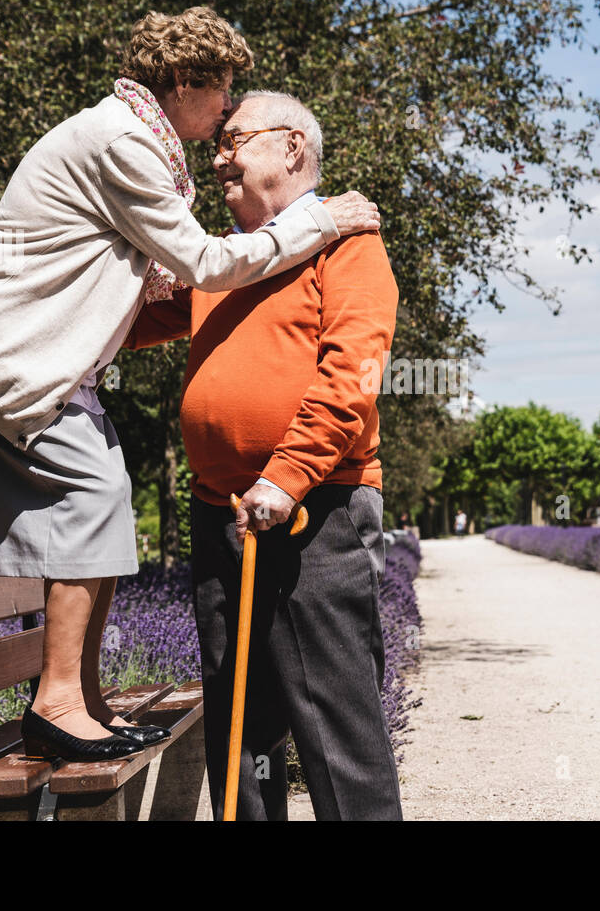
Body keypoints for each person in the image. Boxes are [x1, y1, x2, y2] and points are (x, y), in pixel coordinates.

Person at [0, 9, 382, 763]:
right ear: (183, 81)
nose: (226, 106)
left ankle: (81, 698)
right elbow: (203, 264)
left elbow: (162, 296)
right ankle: (60, 700)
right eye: (221, 87)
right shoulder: (124, 141)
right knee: (95, 494)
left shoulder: (137, 143)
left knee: (101, 498)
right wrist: (318, 222)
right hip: (4, 348)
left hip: (23, 350)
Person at [126, 90, 401, 819]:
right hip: (222, 513)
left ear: (292, 149)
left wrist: (285, 477)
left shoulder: (351, 245)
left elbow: (354, 378)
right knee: (238, 728)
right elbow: (122, 320)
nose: (215, 154)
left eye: (233, 139)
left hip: (316, 511)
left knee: (336, 725)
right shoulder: (225, 262)